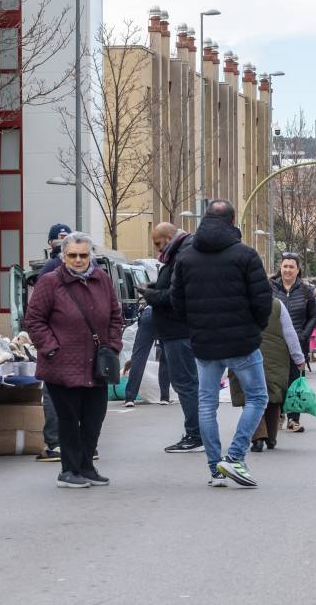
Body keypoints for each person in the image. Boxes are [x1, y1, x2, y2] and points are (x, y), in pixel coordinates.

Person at [171, 200, 272, 488]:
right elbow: (262, 300)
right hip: (242, 343)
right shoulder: (245, 255)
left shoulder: (186, 257)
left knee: (207, 404)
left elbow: (177, 303)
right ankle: (235, 456)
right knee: (257, 398)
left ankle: (215, 469)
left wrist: (196, 327)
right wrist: (255, 328)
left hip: (204, 344)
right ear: (232, 221)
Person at [25, 231, 123, 489]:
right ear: (63, 257)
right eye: (72, 255)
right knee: (68, 420)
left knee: (94, 418)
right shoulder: (50, 282)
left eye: (83, 255)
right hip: (62, 364)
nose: (78, 260)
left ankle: (87, 466)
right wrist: (52, 348)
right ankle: (69, 470)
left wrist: (113, 345)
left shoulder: (102, 279)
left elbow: (115, 316)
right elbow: (34, 320)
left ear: (91, 256)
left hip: (97, 363)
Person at [133, 223, 201, 452]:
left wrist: (150, 294)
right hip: (178, 331)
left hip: (178, 331)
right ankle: (197, 433)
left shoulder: (182, 256)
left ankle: (195, 435)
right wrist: (155, 287)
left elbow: (175, 296)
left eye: (158, 243)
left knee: (185, 384)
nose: (157, 249)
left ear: (169, 237)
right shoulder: (180, 254)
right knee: (188, 383)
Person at [231, 298, 305, 452]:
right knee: (273, 396)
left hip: (244, 353)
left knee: (250, 396)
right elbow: (289, 333)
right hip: (276, 357)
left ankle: (258, 438)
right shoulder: (276, 304)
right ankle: (271, 438)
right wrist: (298, 357)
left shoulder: (235, 301)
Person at [124, 224, 180, 409]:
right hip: (165, 317)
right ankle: (164, 396)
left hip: (149, 315)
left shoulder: (167, 267)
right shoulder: (175, 267)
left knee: (139, 355)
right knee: (165, 357)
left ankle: (130, 397)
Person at [35, 222, 72, 463]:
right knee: (81, 394)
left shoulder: (49, 269)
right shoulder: (92, 269)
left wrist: (46, 344)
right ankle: (84, 443)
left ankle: (56, 443)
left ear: (50, 244)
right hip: (82, 343)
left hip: (57, 342)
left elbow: (36, 311)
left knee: (52, 392)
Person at [271, 253, 316, 432]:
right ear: (280, 268)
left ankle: (293, 419)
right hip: (276, 344)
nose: (288, 270)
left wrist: (304, 335)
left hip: (298, 343)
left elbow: (313, 316)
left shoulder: (306, 291)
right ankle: (278, 415)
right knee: (276, 380)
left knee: (296, 380)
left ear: (298, 270)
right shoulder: (271, 288)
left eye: (291, 267)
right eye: (285, 266)